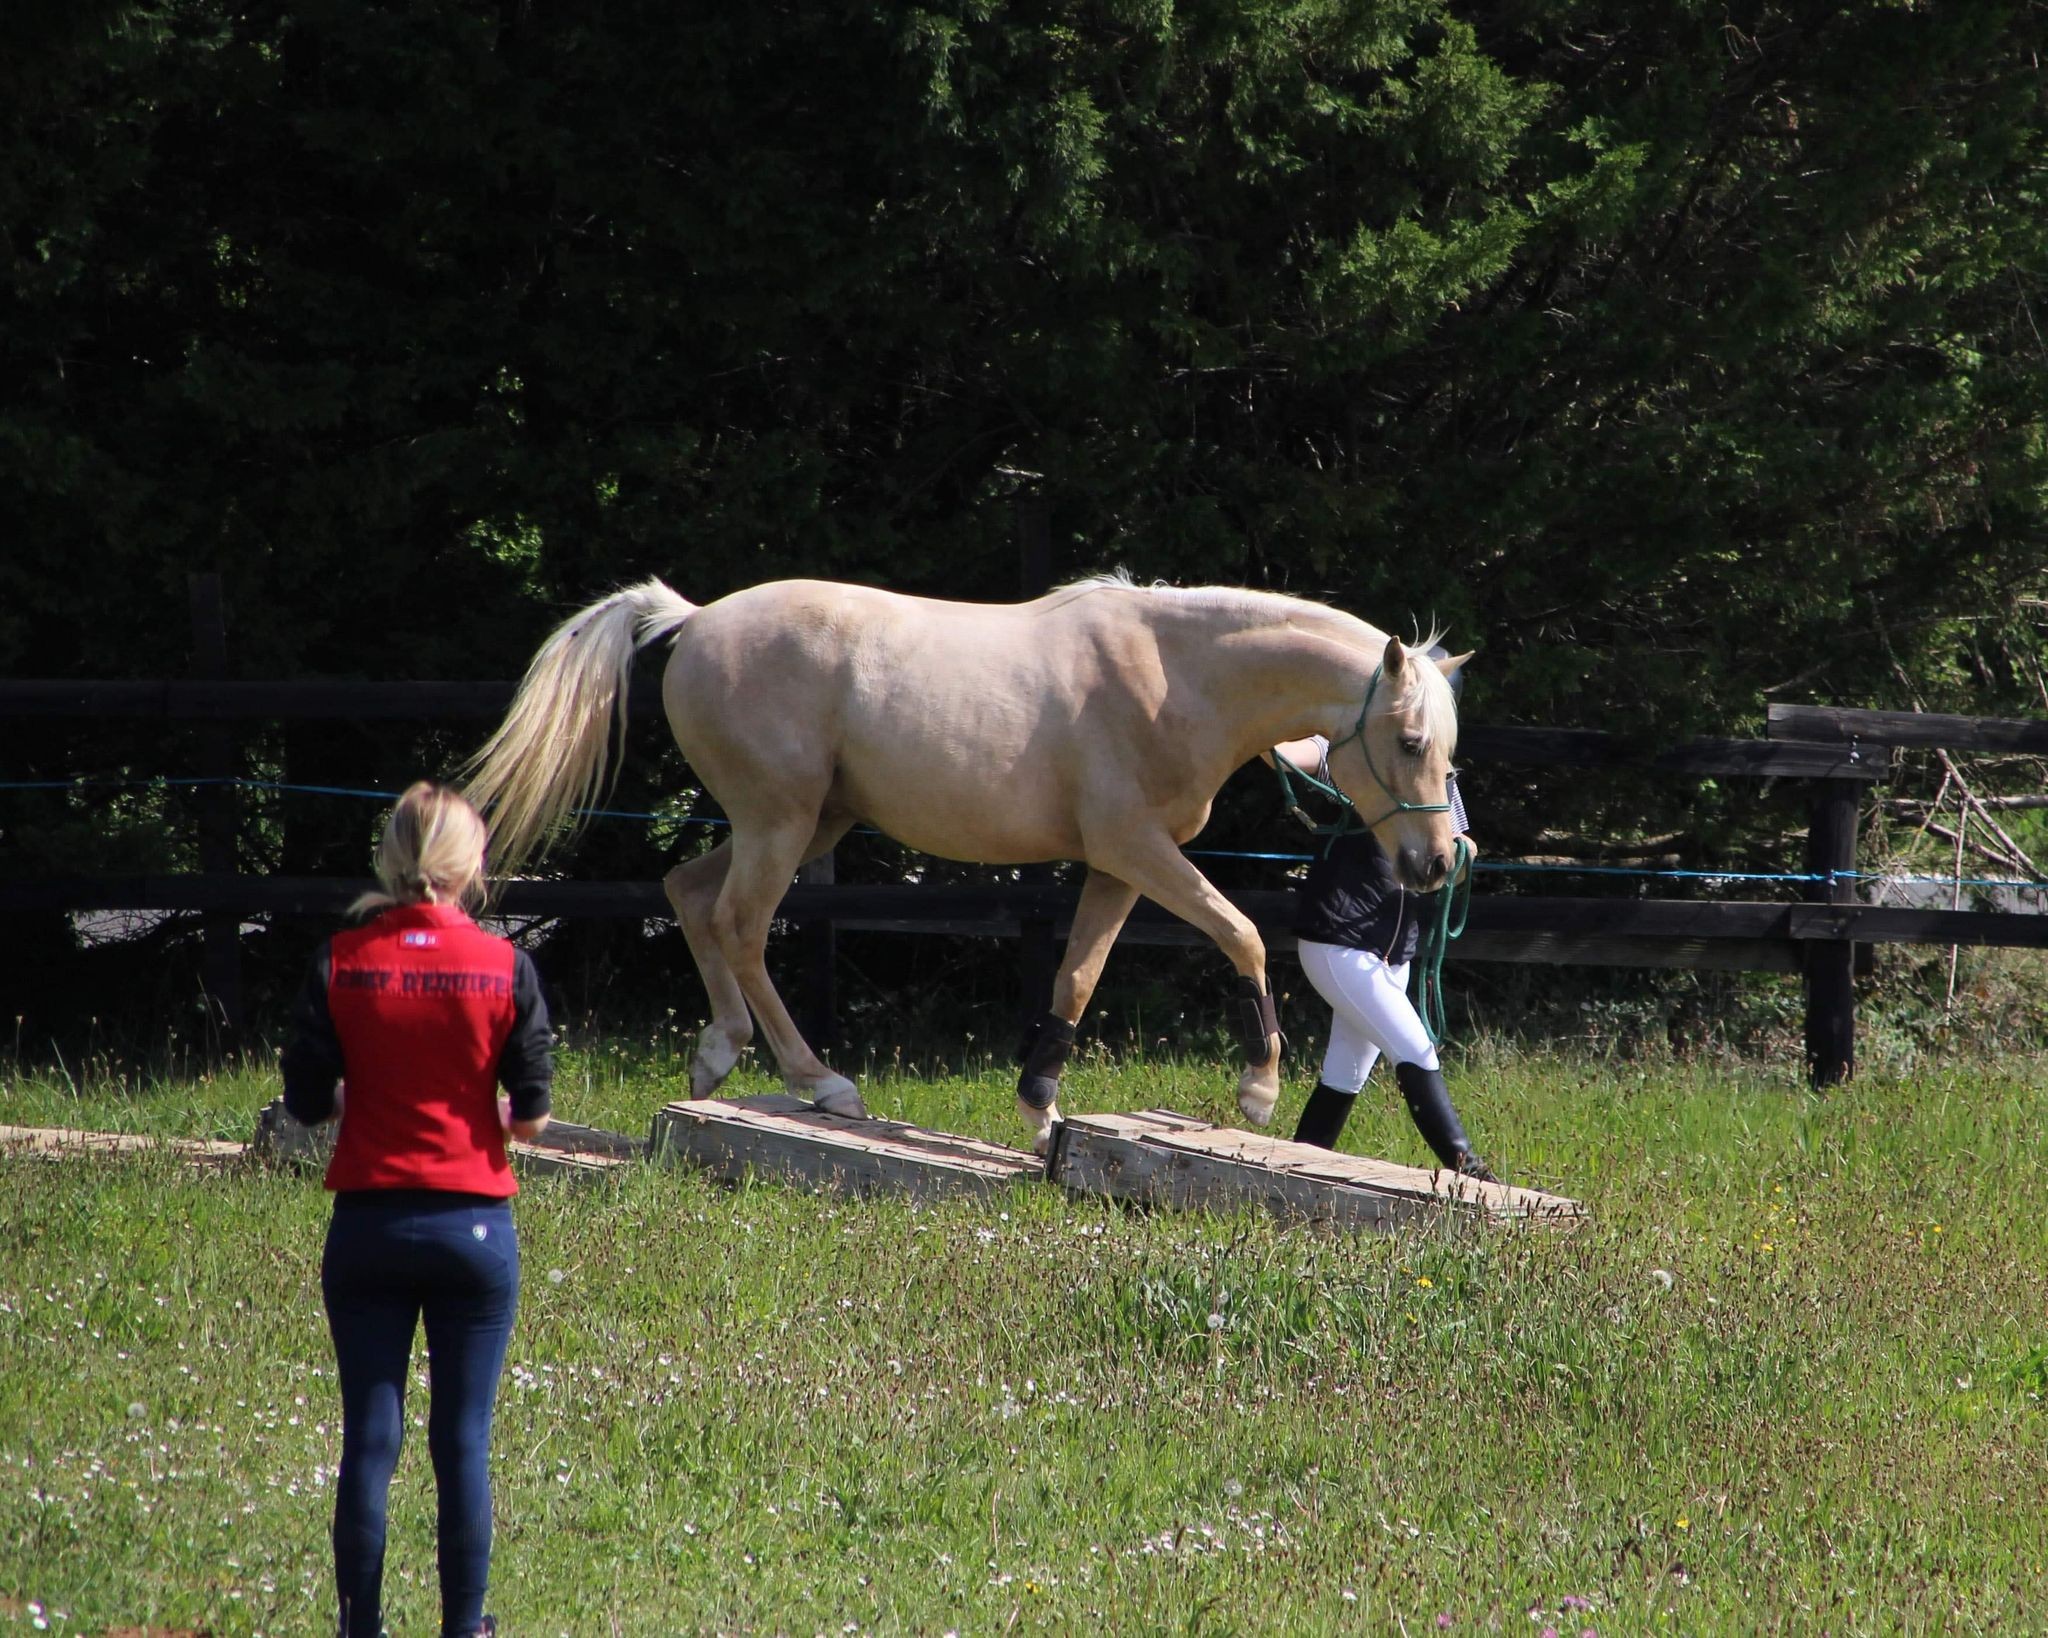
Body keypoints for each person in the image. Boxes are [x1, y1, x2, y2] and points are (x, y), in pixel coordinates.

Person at [281, 781, 553, 1638]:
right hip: (473, 1223)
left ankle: (360, 1625)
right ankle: (464, 1625)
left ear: (390, 860)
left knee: (369, 1436)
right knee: (461, 1441)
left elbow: (305, 1104)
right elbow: (532, 1108)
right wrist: (499, 1115)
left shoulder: (341, 960)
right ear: (471, 865)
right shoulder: (507, 967)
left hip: (366, 1220)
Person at [1270, 656, 1495, 1180]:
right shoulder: (1351, 749)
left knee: (1343, 1076)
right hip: (1339, 940)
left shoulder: (1438, 779)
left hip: (1394, 949)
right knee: (1415, 1049)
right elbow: (1284, 754)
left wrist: (1461, 857)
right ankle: (1471, 1174)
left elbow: (1460, 853)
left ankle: (1291, 1175)